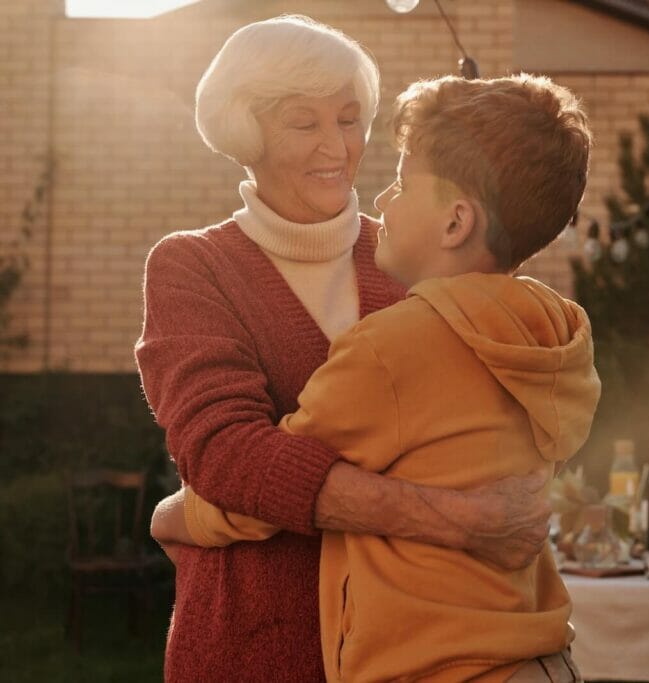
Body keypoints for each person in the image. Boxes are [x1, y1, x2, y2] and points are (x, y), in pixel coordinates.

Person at [137, 16, 552, 682]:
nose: (339, 146)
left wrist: (188, 514)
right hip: (257, 645)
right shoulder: (193, 267)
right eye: (305, 123)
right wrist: (458, 519)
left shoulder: (418, 253)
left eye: (350, 118)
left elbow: (475, 430)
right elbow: (227, 454)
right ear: (249, 133)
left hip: (409, 649)